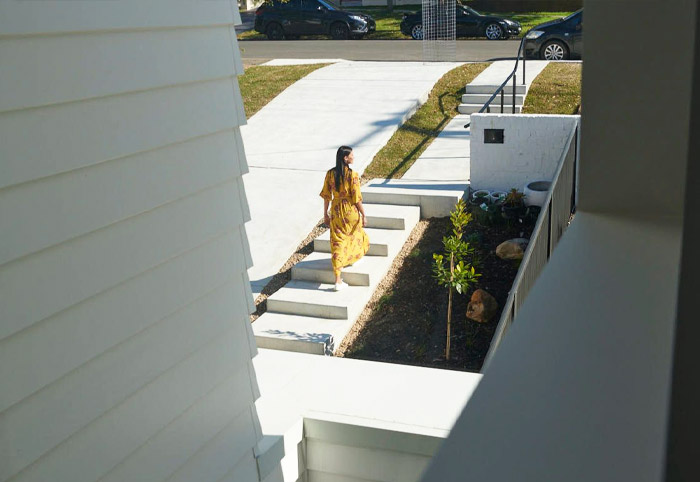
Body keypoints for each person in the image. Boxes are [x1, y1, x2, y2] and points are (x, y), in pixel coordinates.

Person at [319, 146, 370, 291]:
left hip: (336, 211)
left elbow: (326, 196)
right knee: (356, 235)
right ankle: (350, 263)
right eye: (351, 155)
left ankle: (338, 279)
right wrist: (364, 214)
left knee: (338, 241)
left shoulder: (330, 174)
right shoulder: (353, 175)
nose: (353, 156)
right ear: (345, 158)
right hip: (350, 210)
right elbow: (356, 198)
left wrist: (325, 214)